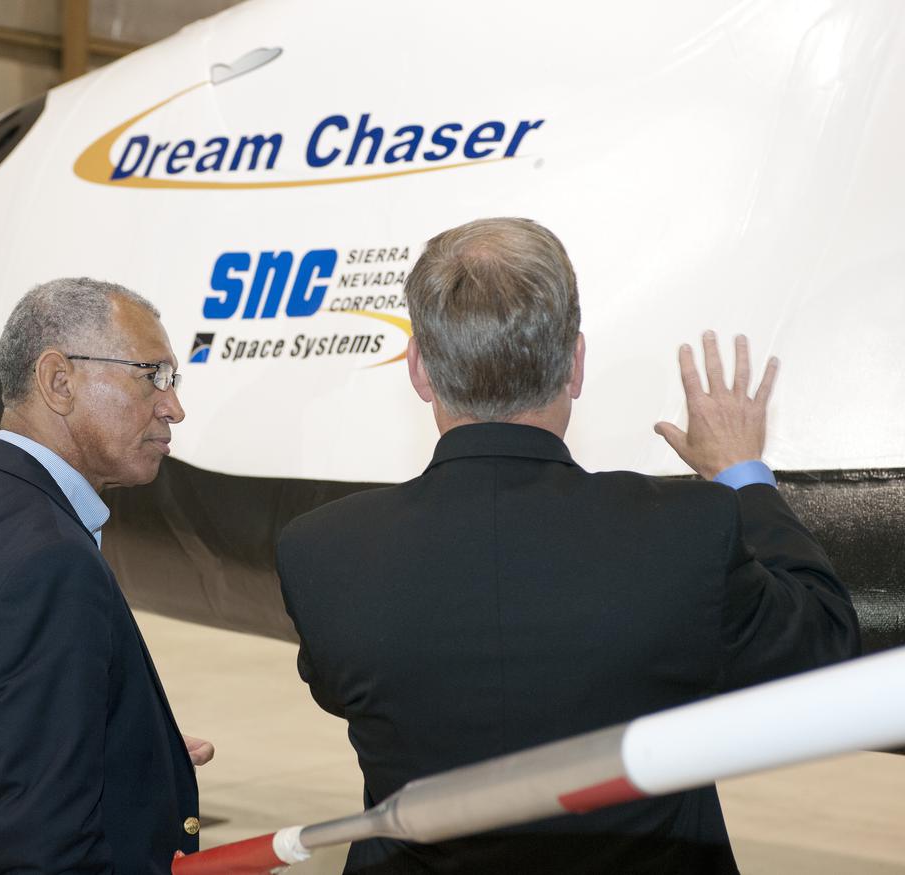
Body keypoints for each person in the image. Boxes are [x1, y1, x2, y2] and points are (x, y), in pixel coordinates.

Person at [276, 217, 861, 874]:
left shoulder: (320, 552)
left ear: (419, 369)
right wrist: (741, 476)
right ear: (575, 363)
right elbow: (825, 649)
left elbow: (344, 691)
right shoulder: (687, 532)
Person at [0, 277, 210, 874]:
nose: (173, 406)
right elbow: (44, 845)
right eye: (152, 375)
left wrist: (133, 749)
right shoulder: (51, 561)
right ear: (58, 381)